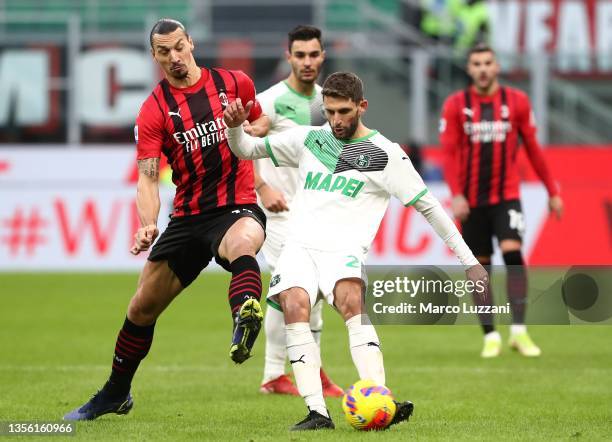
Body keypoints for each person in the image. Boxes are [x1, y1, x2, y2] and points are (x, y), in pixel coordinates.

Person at [224, 72, 488, 430]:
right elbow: (246, 149)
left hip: (343, 250)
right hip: (299, 246)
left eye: (344, 111)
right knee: (294, 307)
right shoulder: (309, 140)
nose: (336, 120)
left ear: (362, 107)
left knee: (351, 302)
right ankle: (317, 413)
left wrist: (469, 262)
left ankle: (379, 398)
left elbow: (430, 207)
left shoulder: (386, 154)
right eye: (330, 111)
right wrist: (235, 128)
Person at [64, 18, 268, 421]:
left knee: (242, 243)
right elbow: (146, 176)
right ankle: (115, 394)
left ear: (191, 43)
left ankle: (245, 311)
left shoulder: (234, 82)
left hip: (236, 204)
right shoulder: (154, 109)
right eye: (164, 52)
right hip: (189, 217)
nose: (174, 57)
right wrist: (147, 223)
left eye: (179, 47)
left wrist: (241, 129)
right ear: (154, 56)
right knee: (141, 307)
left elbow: (261, 121)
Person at [440, 43, 563, 358]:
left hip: (506, 195)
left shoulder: (517, 102)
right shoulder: (456, 105)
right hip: (471, 201)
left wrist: (552, 191)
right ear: (469, 69)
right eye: (476, 63)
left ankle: (519, 332)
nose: (482, 68)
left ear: (496, 67)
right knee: (480, 268)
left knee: (512, 254)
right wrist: (455, 194)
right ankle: (491, 335)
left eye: (487, 63)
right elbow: (449, 154)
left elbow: (534, 149)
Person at [249, 25, 342, 398]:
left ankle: (278, 375)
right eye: (299, 55)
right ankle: (296, 373)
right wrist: (261, 185)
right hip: (278, 211)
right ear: (288, 56)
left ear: (323, 57)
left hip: (313, 212)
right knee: (299, 286)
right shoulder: (269, 101)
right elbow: (241, 144)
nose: (307, 62)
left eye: (313, 55)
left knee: (303, 290)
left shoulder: (326, 102)